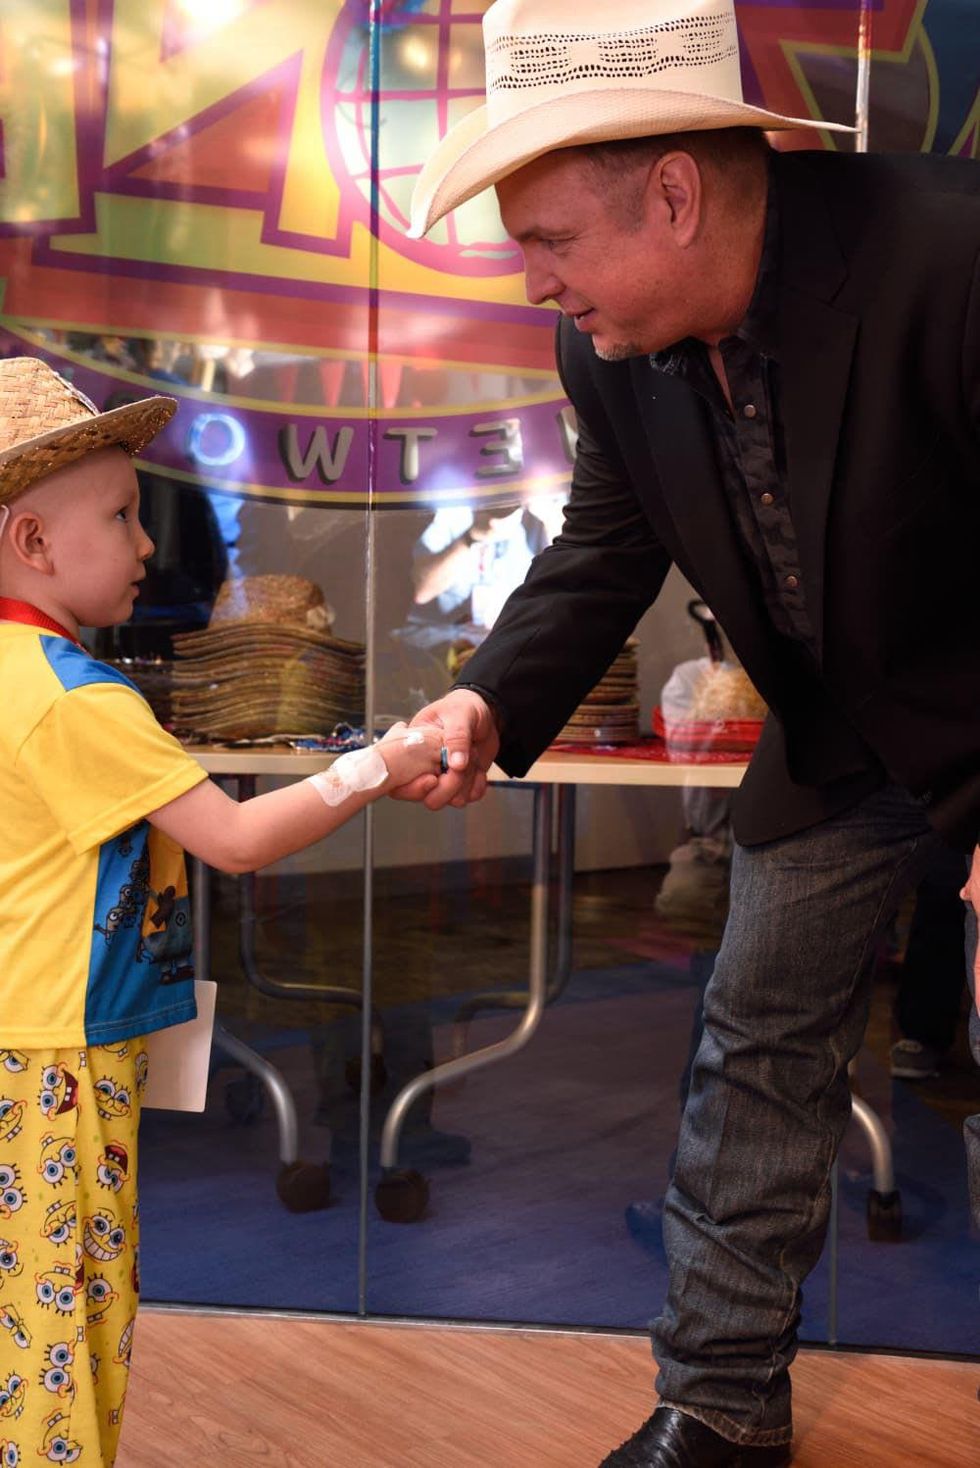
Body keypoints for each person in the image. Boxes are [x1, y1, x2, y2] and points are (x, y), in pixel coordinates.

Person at [391, 0, 980, 1463]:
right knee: (754, 1043)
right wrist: (490, 694)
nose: (536, 283)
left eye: (550, 241)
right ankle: (715, 1413)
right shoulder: (616, 345)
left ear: (674, 189)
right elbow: (605, 544)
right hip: (844, 742)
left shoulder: (954, 257)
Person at [0, 358, 443, 1466]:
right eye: (120, 515)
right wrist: (374, 766)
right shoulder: (74, 695)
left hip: (15, 1032)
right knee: (73, 1316)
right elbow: (235, 841)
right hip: (61, 1051)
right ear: (33, 543)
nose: (149, 545)